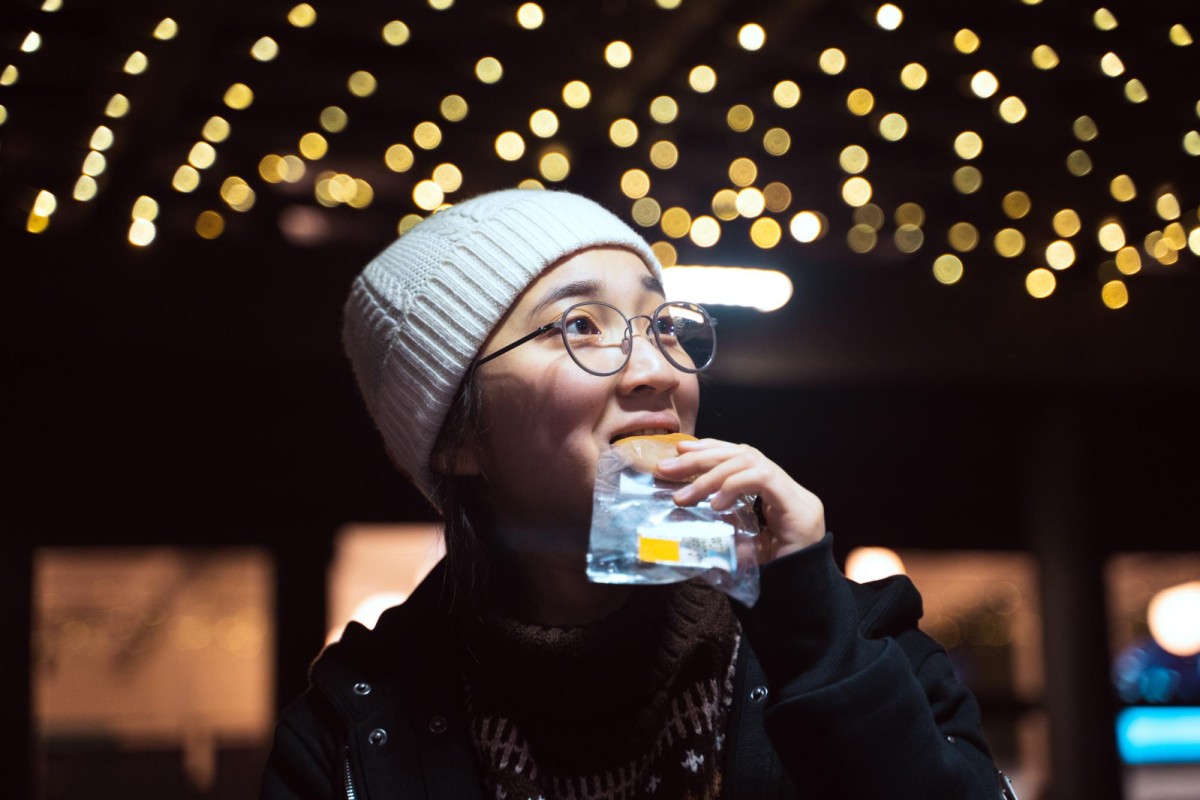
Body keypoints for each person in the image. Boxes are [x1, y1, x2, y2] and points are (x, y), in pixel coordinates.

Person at [261, 188, 1013, 799]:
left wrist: (811, 623)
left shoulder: (869, 646)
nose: (655, 368)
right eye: (579, 325)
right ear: (459, 439)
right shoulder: (347, 732)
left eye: (661, 324)